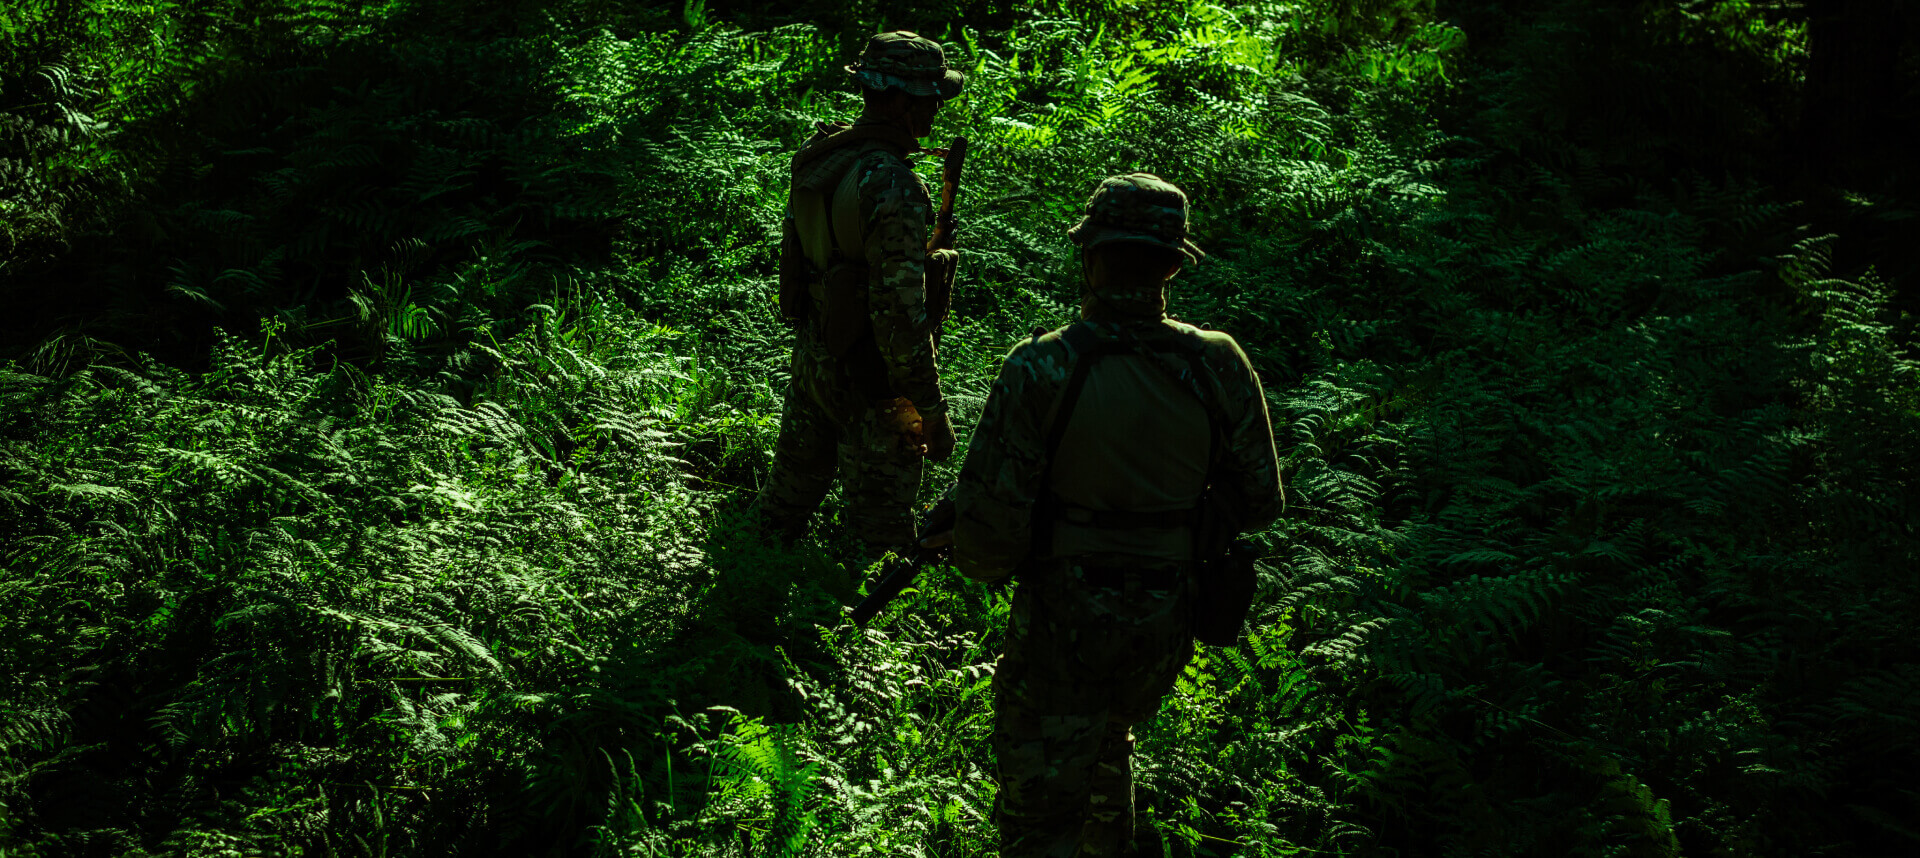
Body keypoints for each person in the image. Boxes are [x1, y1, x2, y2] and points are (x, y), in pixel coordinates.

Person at [944, 174, 1284, 856]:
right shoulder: (1217, 362)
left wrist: (983, 555)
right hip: (1164, 621)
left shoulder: (1042, 366)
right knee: (1109, 746)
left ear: (1090, 256)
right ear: (1171, 265)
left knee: (1041, 807)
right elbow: (1260, 503)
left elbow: (989, 531)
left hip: (1062, 620)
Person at [750, 31, 963, 552]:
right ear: (898, 101)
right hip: (873, 380)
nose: (937, 109)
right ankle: (840, 630)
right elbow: (899, 316)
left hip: (816, 358)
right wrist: (930, 412)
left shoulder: (825, 156)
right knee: (878, 539)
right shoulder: (891, 182)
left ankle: (740, 604)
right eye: (929, 98)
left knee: (782, 507)